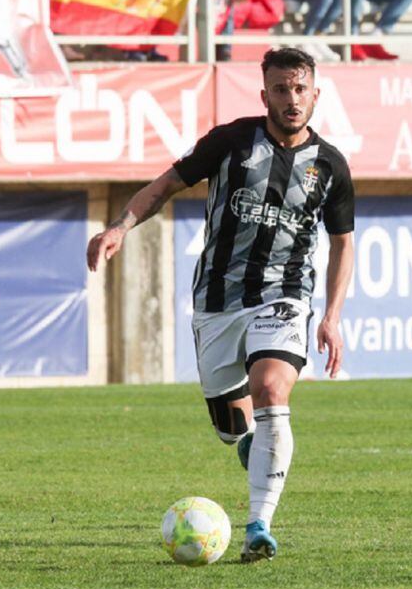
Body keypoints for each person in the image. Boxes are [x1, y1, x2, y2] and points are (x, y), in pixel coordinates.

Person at [87, 47, 355, 562]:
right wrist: (120, 227)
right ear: (265, 95)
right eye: (281, 89)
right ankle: (255, 452)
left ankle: (259, 524)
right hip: (216, 301)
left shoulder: (330, 166)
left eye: (301, 89)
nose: (291, 99)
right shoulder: (231, 141)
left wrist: (332, 316)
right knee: (232, 430)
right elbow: (167, 184)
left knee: (271, 388)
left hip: (285, 295)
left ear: (315, 95)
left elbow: (344, 241)